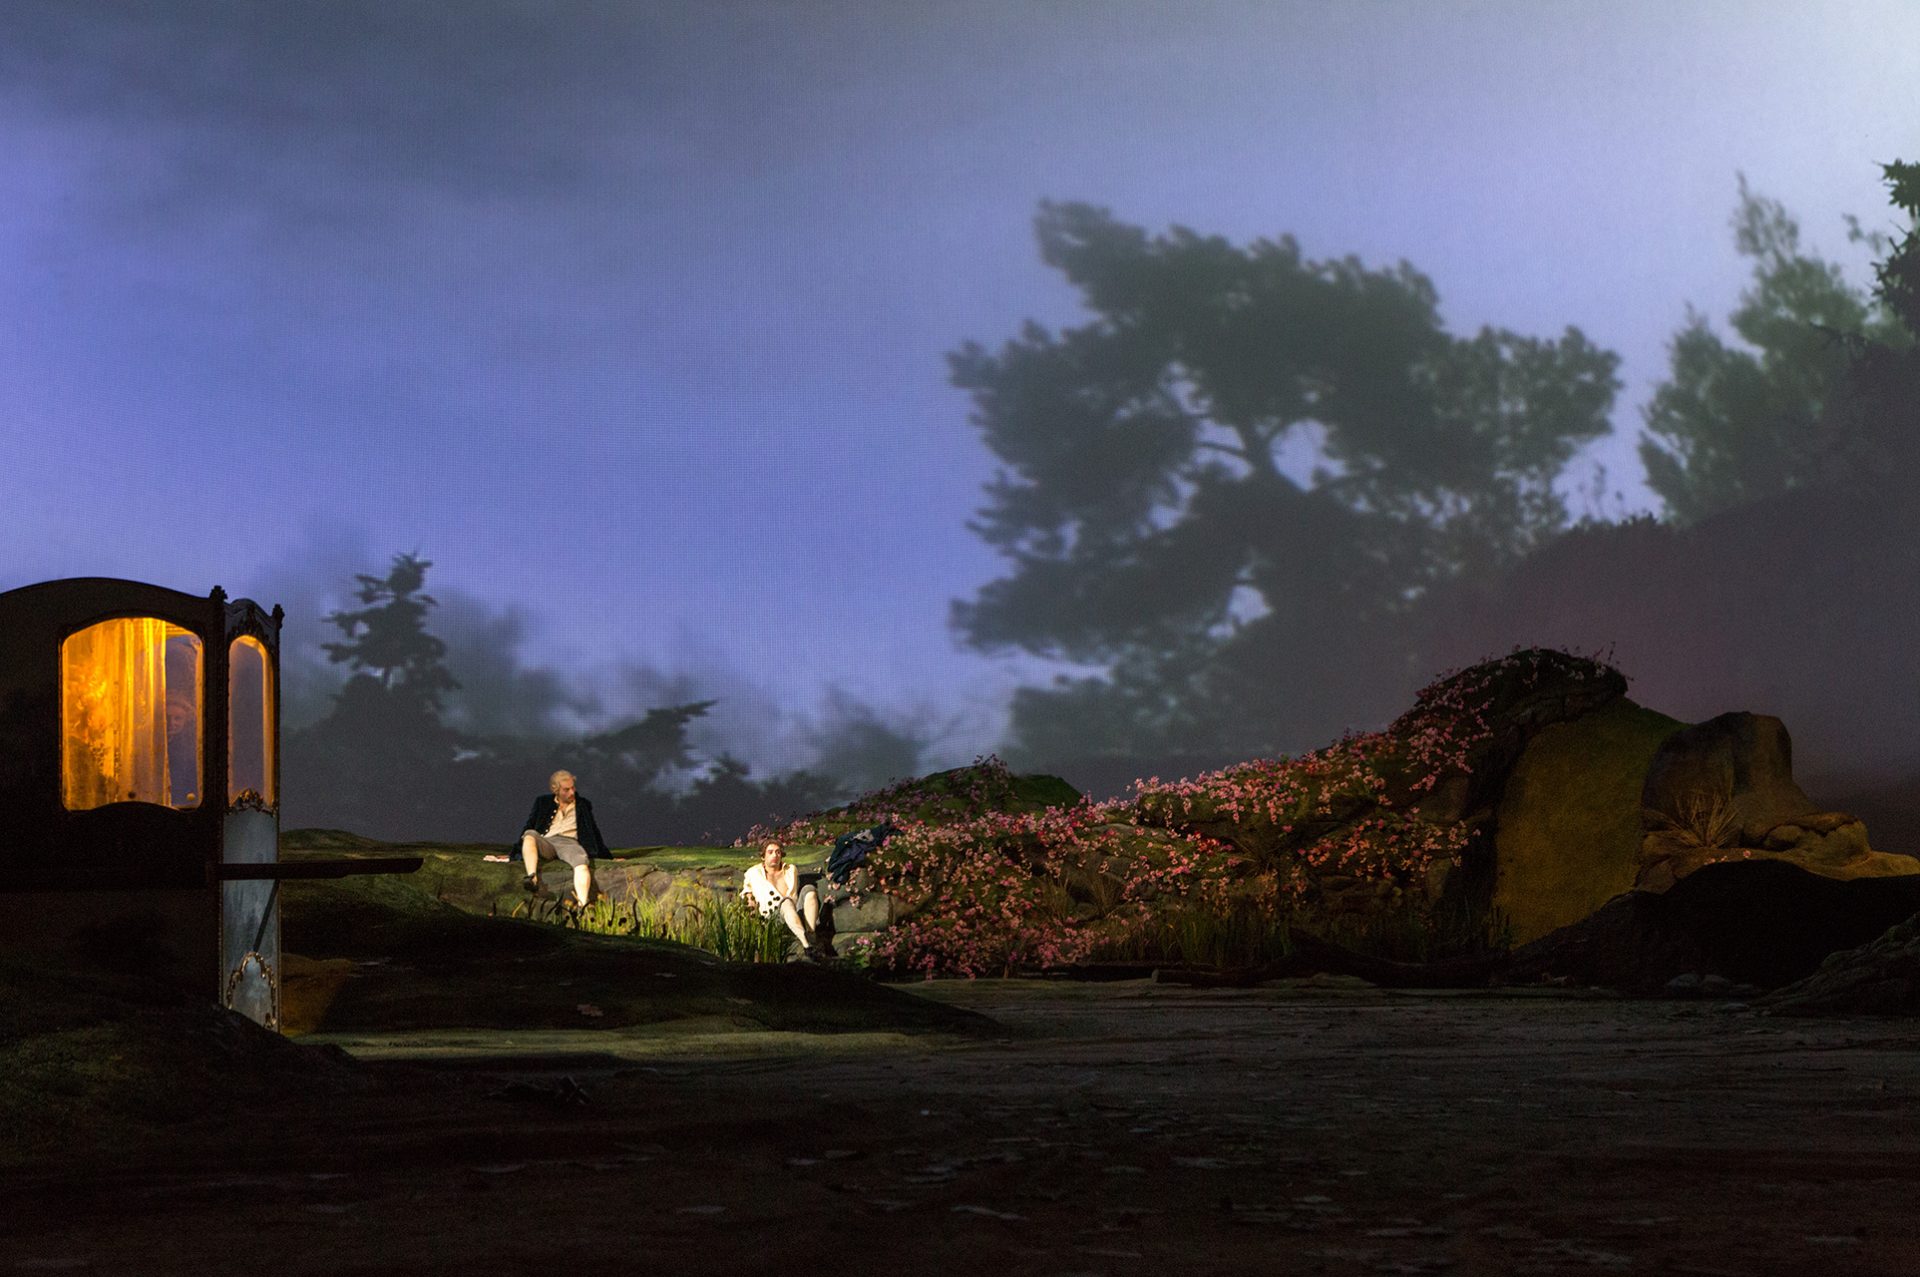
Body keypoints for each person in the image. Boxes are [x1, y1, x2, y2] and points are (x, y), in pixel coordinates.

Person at [515, 769, 611, 906]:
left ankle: (582, 904)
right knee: (529, 834)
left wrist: (608, 856)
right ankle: (531, 877)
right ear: (556, 790)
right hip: (546, 841)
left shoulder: (582, 804)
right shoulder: (542, 802)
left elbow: (593, 830)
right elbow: (529, 825)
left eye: (573, 788)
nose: (572, 792)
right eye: (566, 789)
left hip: (569, 843)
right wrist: (514, 853)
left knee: (581, 865)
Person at [740, 841, 826, 959]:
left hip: (794, 915)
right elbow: (747, 894)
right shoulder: (753, 873)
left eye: (778, 852)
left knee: (809, 889)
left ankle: (811, 934)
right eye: (770, 852)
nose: (775, 855)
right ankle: (807, 946)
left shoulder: (791, 869)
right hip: (773, 919)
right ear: (763, 856)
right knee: (786, 902)